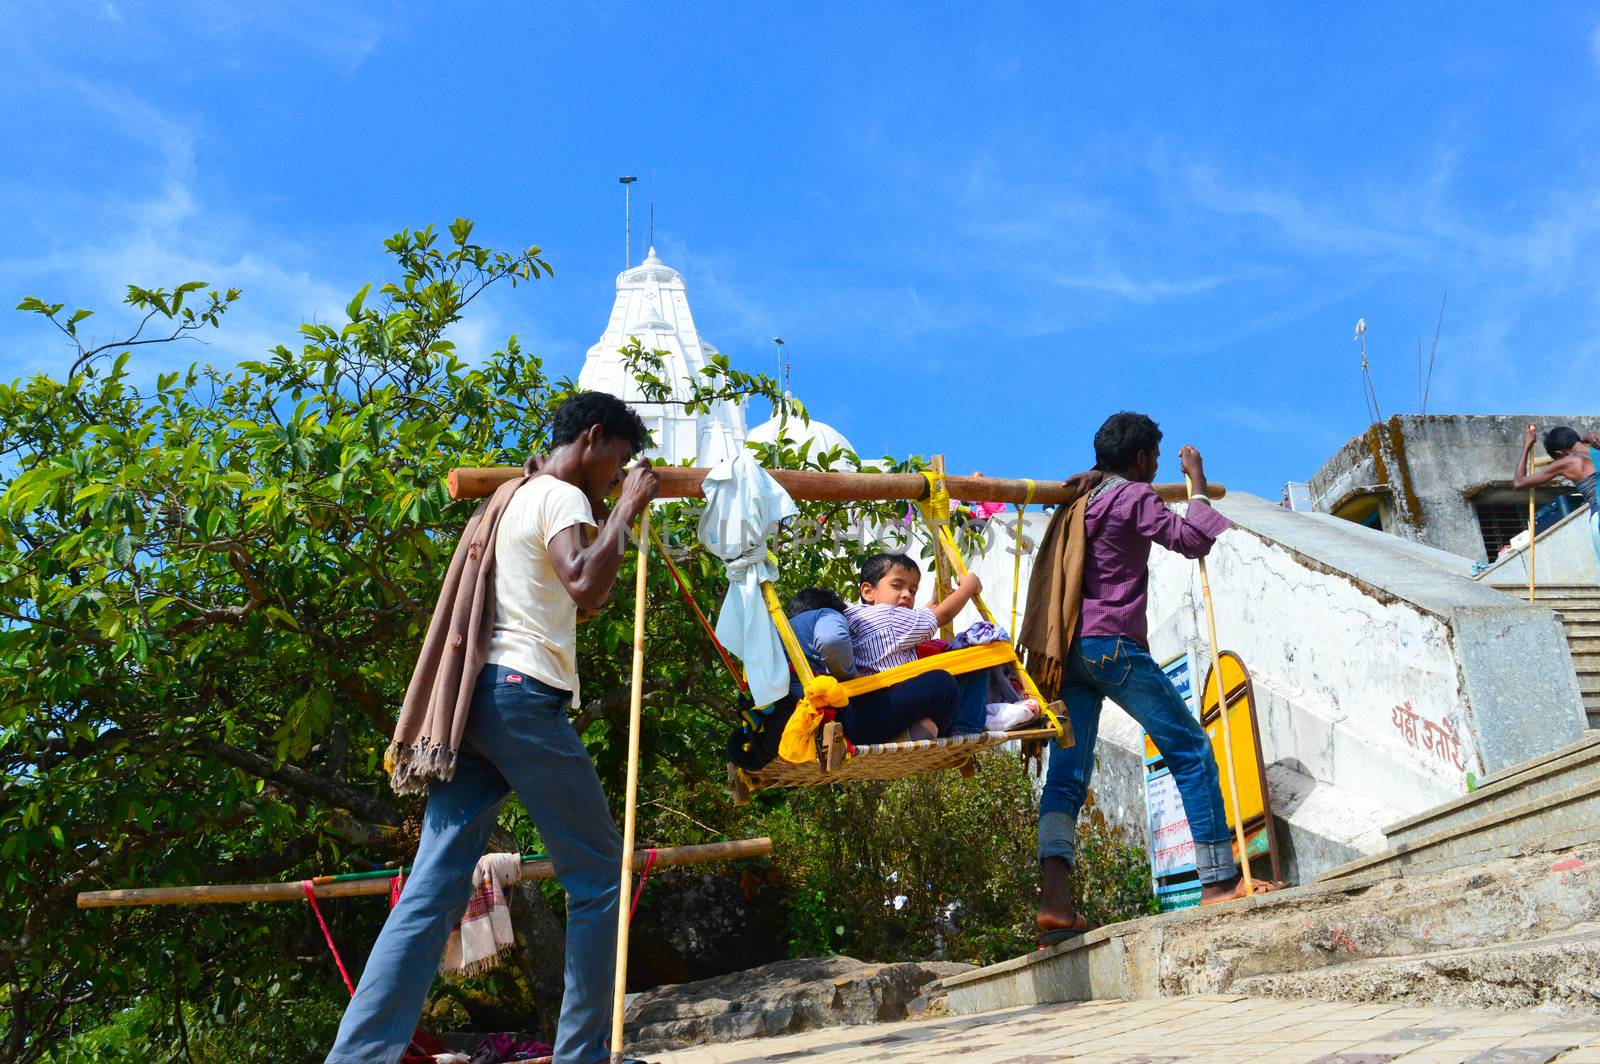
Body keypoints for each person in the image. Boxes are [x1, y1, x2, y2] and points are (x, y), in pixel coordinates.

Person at [326, 392, 660, 1064]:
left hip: (473, 702)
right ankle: (583, 1056)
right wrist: (627, 510)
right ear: (592, 439)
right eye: (617, 461)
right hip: (520, 697)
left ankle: (358, 1057)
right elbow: (585, 588)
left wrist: (612, 510)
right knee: (599, 875)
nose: (616, 476)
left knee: (432, 886)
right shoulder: (561, 495)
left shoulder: (511, 498)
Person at [1032, 412, 1272, 946]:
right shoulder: (1133, 497)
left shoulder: (1082, 499)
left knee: (1066, 777)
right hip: (1112, 645)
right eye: (1156, 458)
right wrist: (1199, 487)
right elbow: (1189, 539)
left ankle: (1055, 901)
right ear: (1141, 459)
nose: (1157, 466)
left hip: (1067, 650)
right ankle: (1217, 880)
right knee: (1189, 748)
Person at [838, 553, 980, 743]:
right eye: (897, 586)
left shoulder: (855, 615)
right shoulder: (888, 616)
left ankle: (908, 734)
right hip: (878, 709)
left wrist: (935, 602)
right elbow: (942, 616)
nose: (907, 594)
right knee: (943, 683)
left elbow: (914, 620)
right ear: (868, 592)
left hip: (857, 717)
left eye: (912, 591)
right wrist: (970, 586)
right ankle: (958, 730)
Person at [1512, 423, 1600, 574]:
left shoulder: (1568, 462)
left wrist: (1527, 445)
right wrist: (1586, 436)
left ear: (1559, 453)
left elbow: (1519, 482)